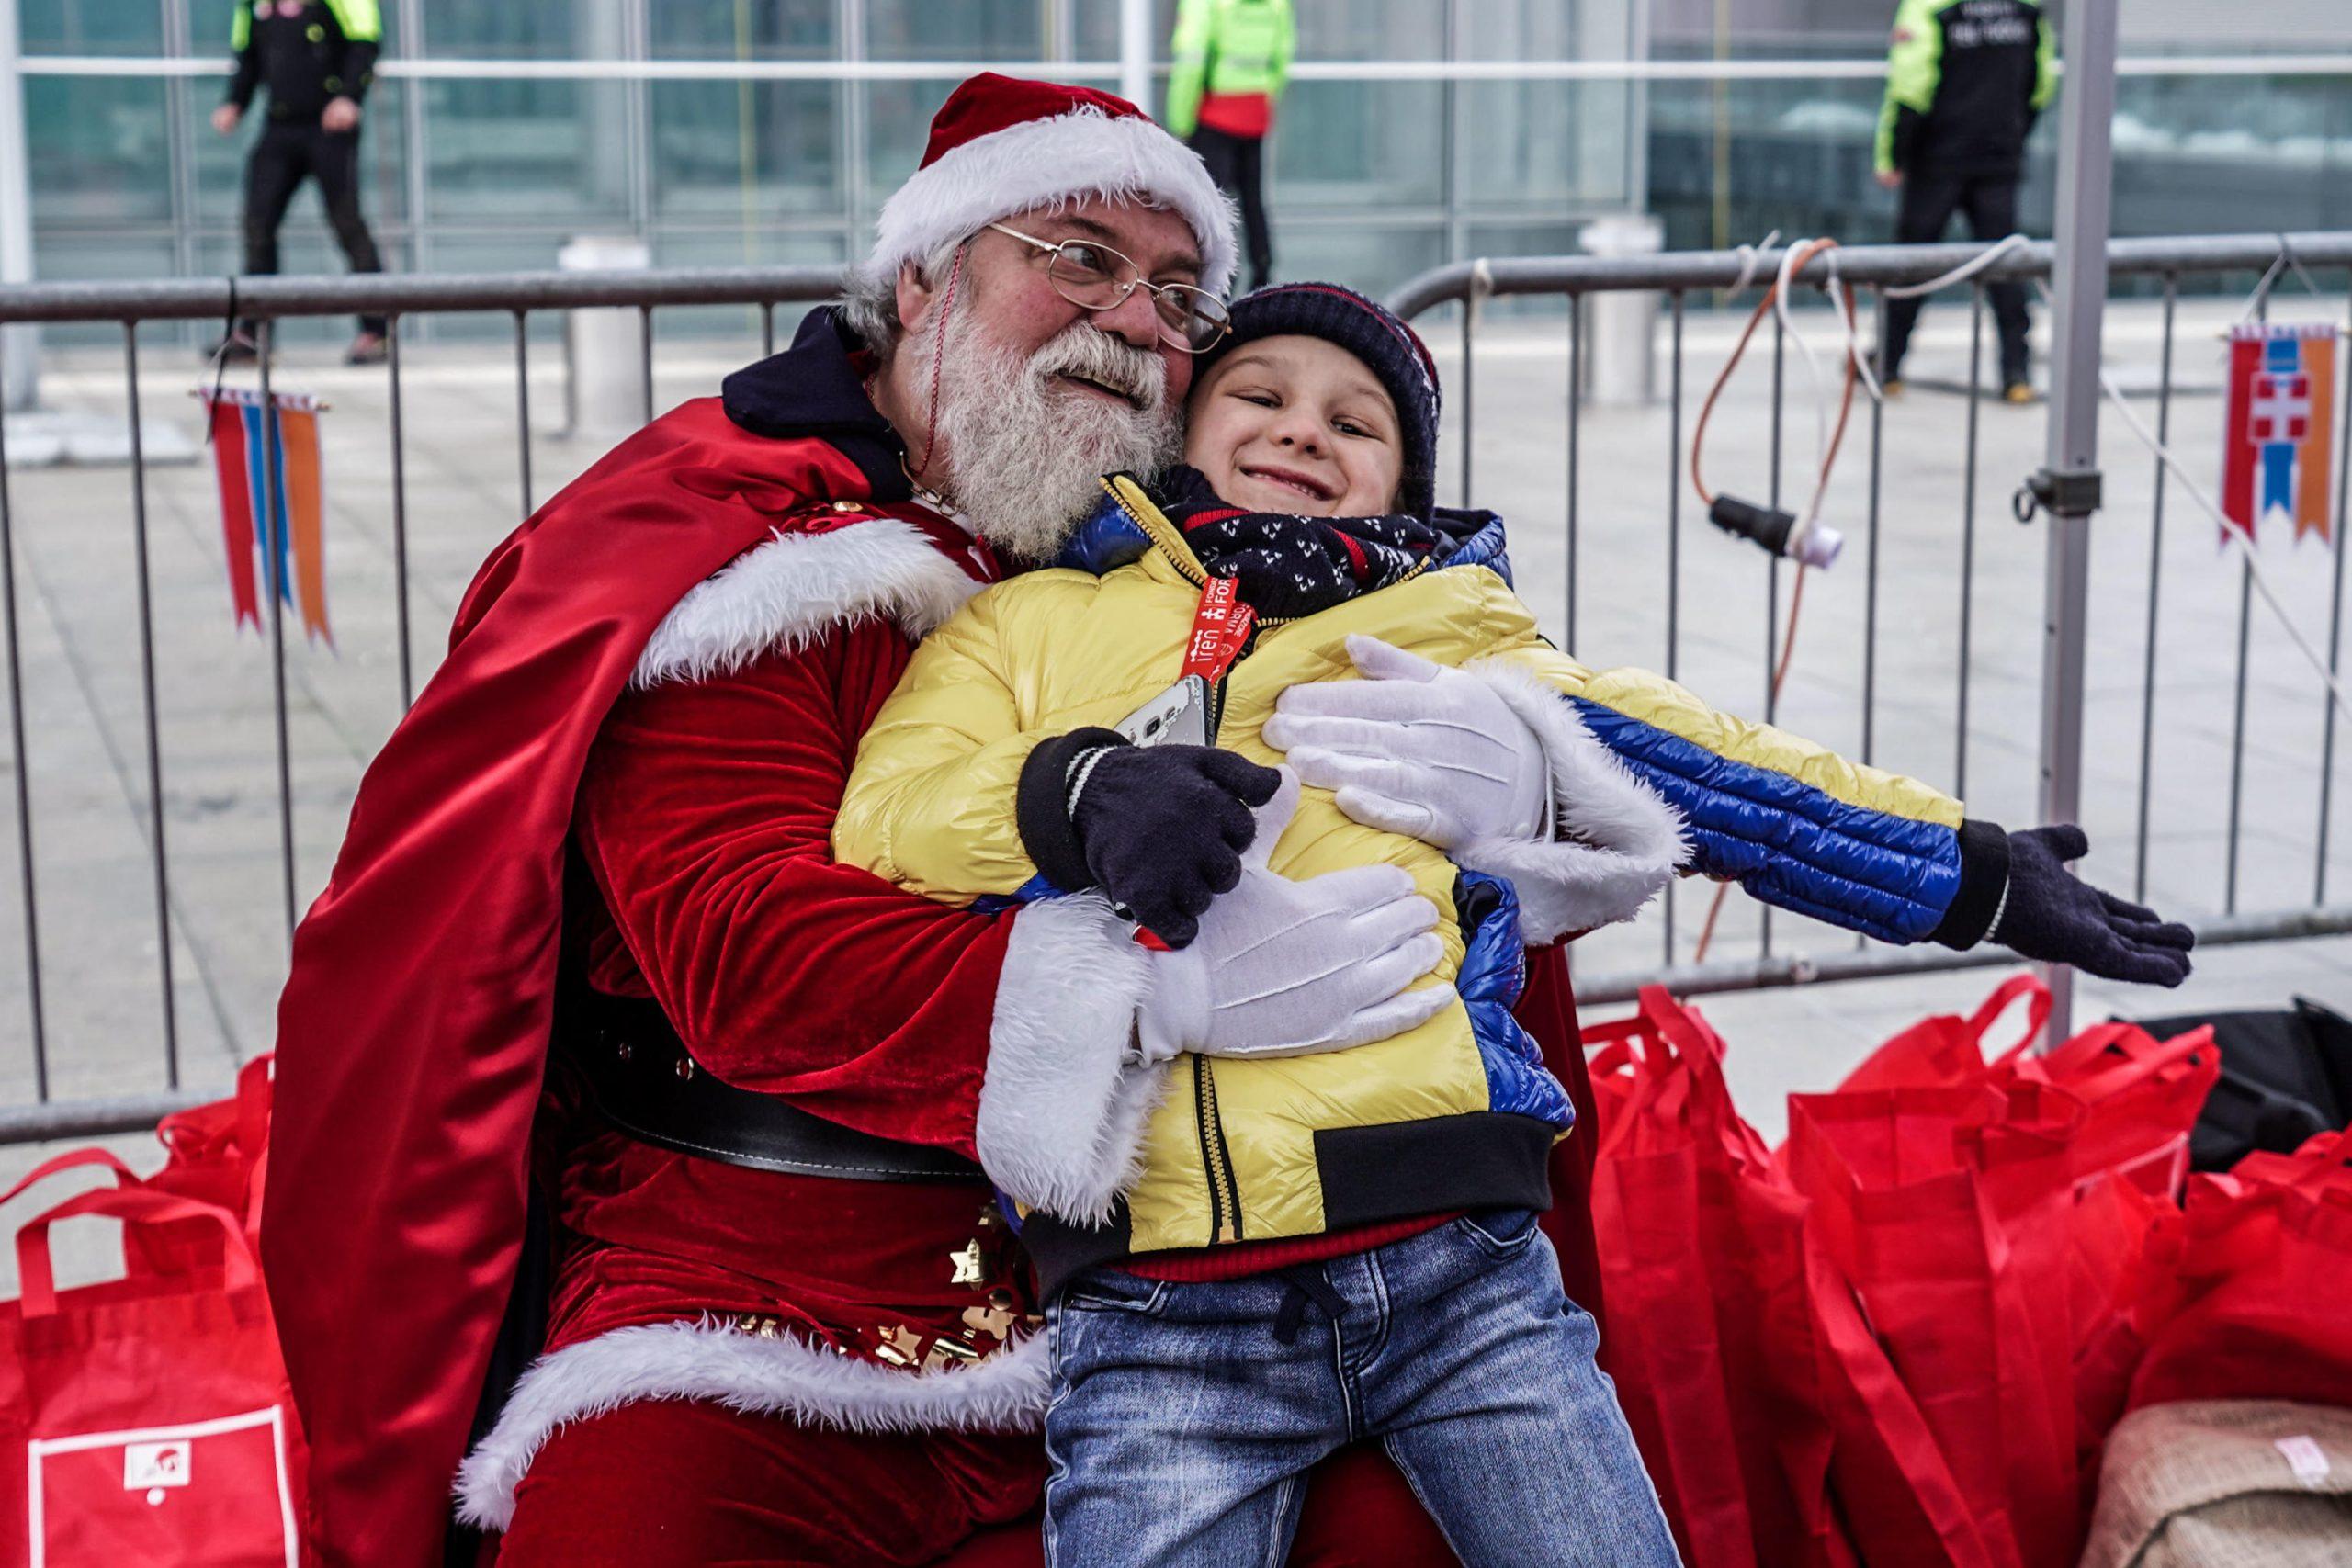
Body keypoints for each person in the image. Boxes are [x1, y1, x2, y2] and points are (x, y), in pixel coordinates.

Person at [262, 74, 1477, 1568]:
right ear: (923, 281)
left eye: (1177, 293)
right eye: (1078, 256)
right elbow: (740, 940)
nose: (1133, 321)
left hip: (1176, 1294)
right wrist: (1157, 995)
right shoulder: (755, 544)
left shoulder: (1197, 550)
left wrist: (1511, 798)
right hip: (754, 1294)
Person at [831, 281, 2196, 1564]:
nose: (1305, 427)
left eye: (1354, 422)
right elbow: (885, 815)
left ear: (1402, 482)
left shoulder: (1453, 621)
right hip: (1163, 1300)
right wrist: (1075, 790)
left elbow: (1713, 766)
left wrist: (1974, 870)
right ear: (1184, 425)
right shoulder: (1034, 622)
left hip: (1460, 1276)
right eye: (1261, 395)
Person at [1871, 0, 2053, 402]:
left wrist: (1893, 155)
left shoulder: (1930, 7)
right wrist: (2014, 136)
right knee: (2005, 267)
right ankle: (2015, 373)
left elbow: (1911, 86)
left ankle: (1886, 367)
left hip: (1937, 160)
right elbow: (2041, 85)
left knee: (1911, 266)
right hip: (1998, 157)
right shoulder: (2024, 9)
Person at [211, 0, 390, 366]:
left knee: (347, 224)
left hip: (331, 127)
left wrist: (349, 97)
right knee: (257, 224)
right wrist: (235, 103)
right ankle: (253, 334)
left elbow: (365, 45)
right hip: (280, 126)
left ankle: (376, 332)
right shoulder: (253, 5)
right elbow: (248, 58)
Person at [1167, 0, 1292, 292]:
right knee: (1253, 200)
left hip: (1215, 113)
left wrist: (1180, 122)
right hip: (1254, 110)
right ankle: (1262, 273)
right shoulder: (1277, 4)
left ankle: (1219, 281)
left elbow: (1192, 59)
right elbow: (1282, 57)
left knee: (1214, 203)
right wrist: (1263, 98)